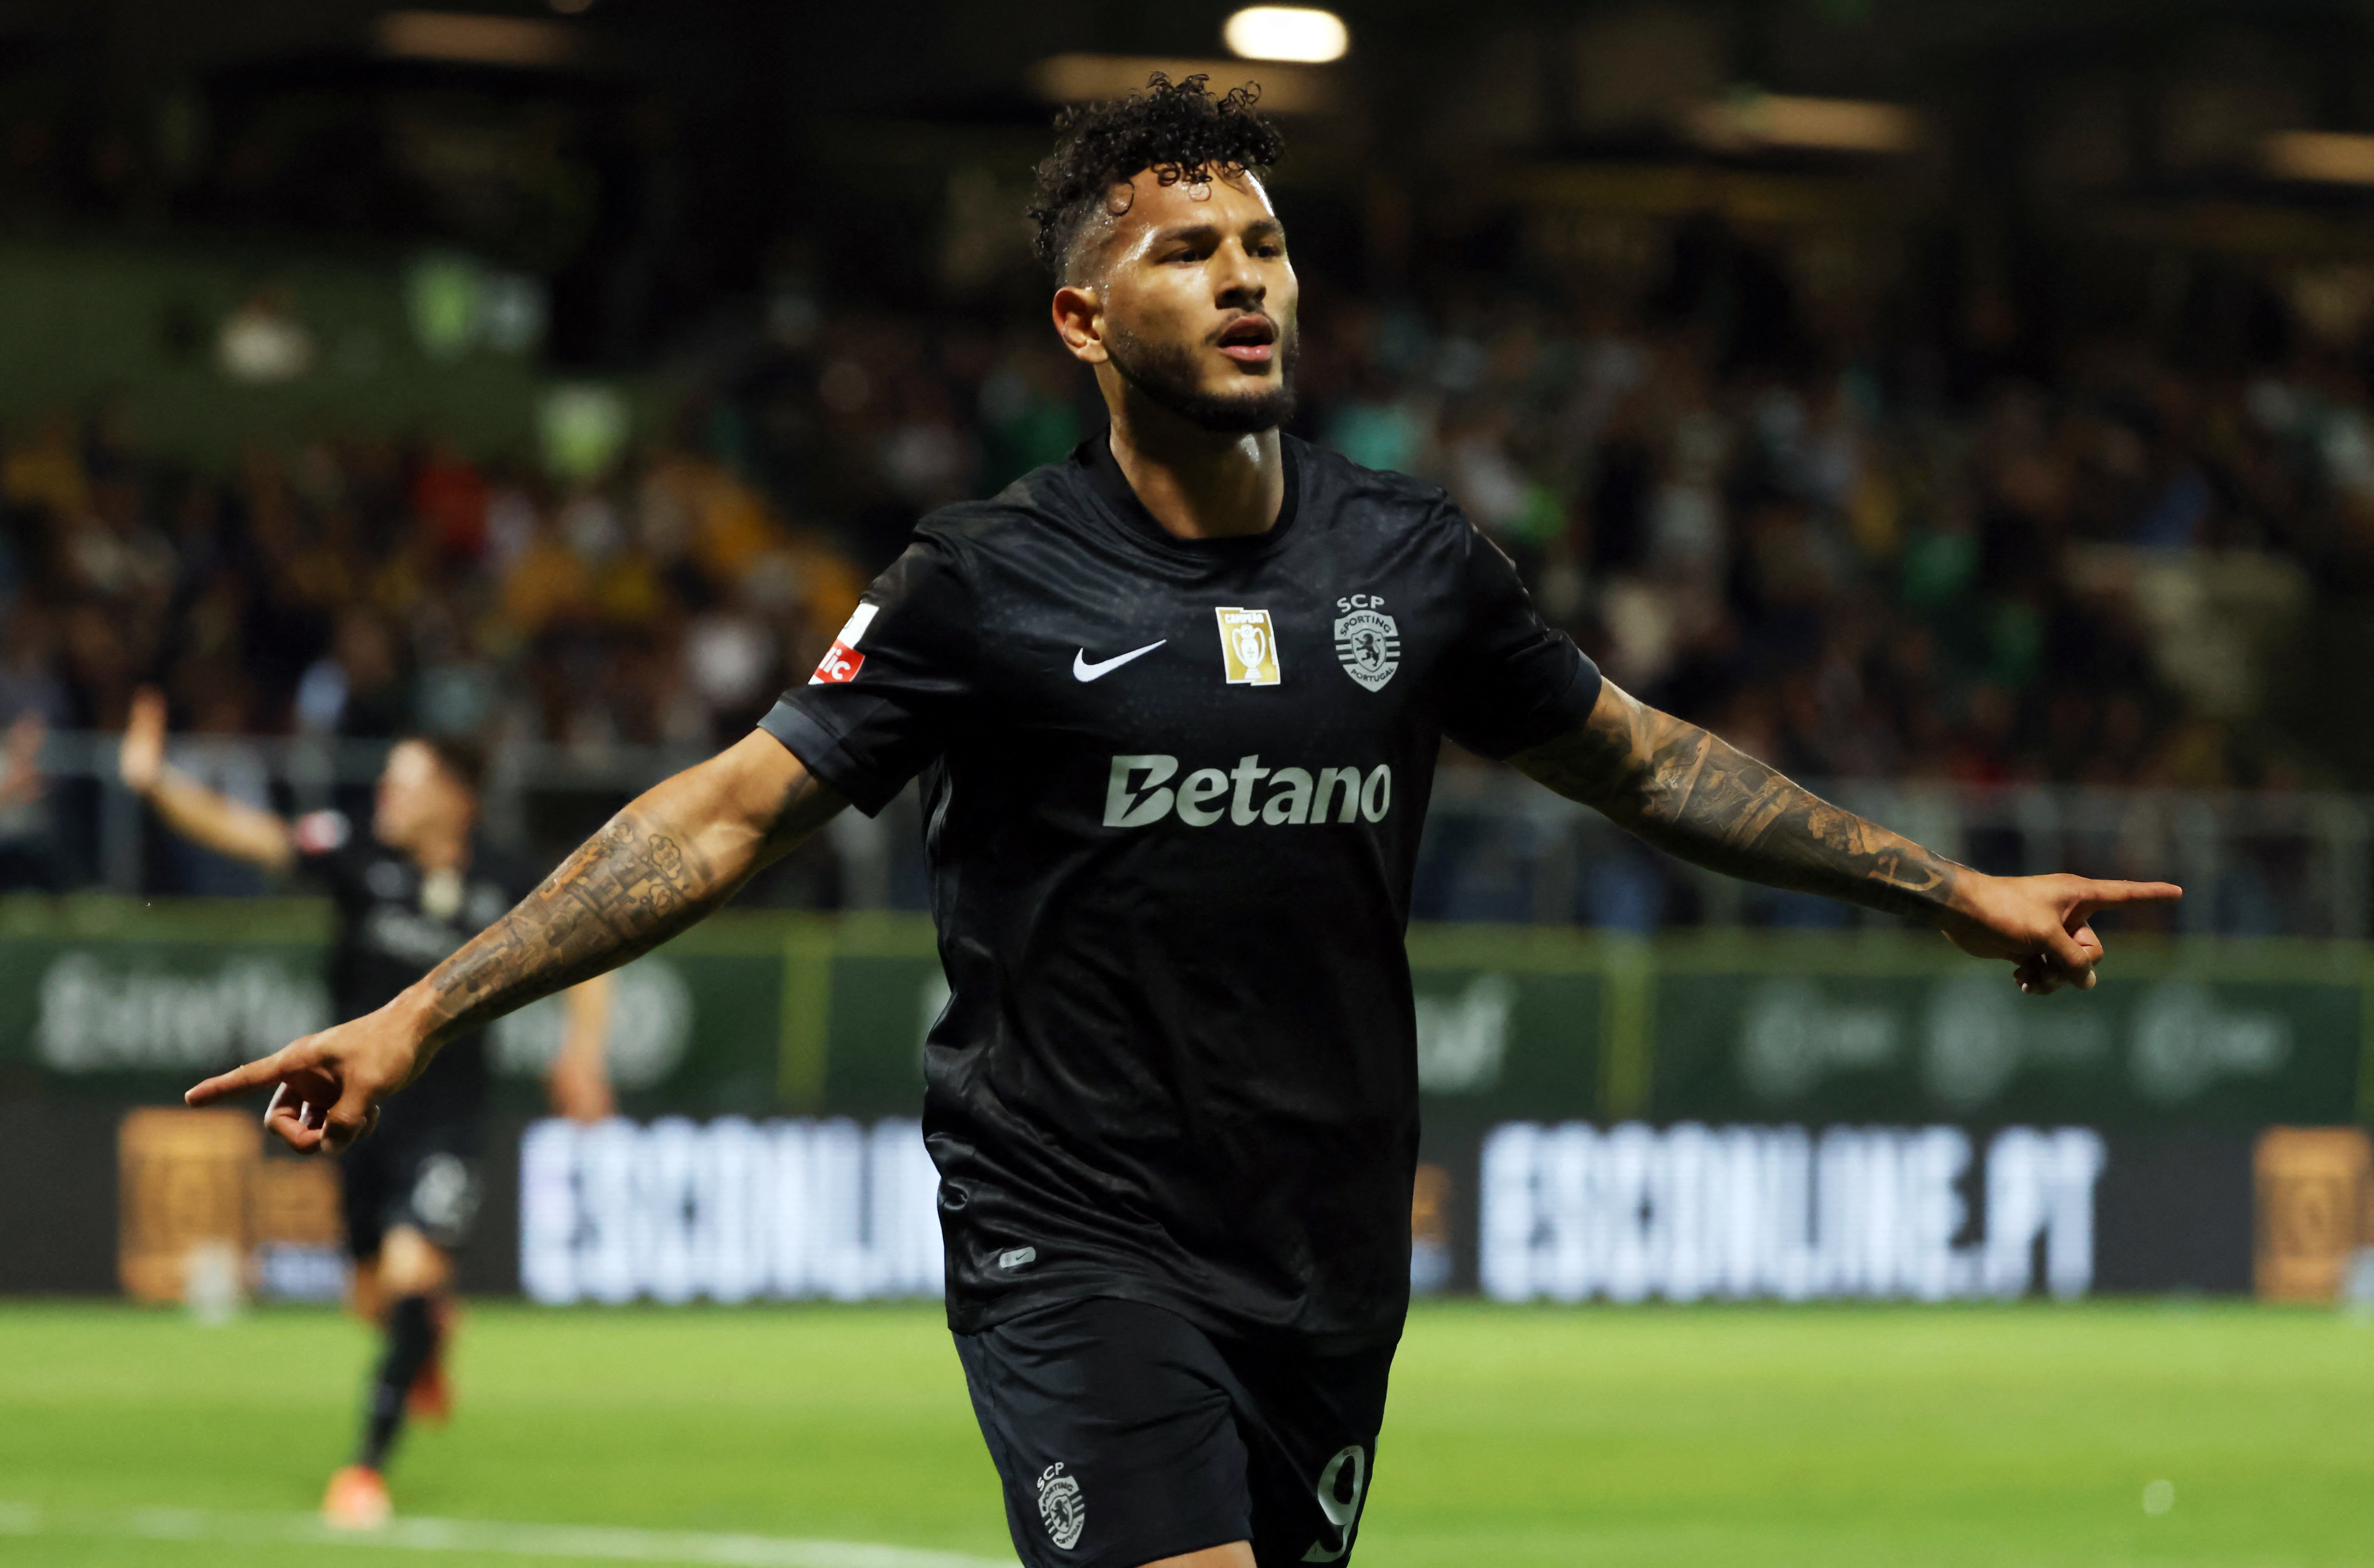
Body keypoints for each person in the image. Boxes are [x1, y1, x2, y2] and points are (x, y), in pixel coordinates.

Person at [187, 76, 2179, 1568]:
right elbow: (719, 818)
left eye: (1265, 246)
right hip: (1072, 1222)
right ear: (1080, 321)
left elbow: (1650, 759)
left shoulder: (1417, 561)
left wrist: (1946, 887)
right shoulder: (984, 576)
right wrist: (425, 1009)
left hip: (1321, 1239)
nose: (1247, 280)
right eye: (1186, 251)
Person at [120, 685, 616, 1528]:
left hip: (448, 1126)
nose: (384, 796)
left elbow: (594, 948)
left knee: (414, 1272)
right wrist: (154, 781)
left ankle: (364, 1472)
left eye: (402, 783)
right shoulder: (358, 857)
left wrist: (582, 1055)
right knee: (371, 1296)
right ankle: (421, 1339)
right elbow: (252, 836)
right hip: (358, 1126)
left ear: (454, 799)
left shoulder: (501, 880)